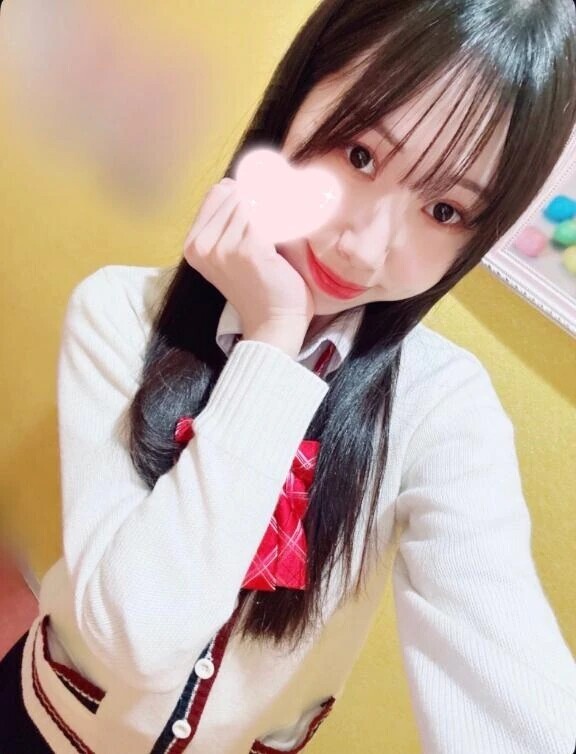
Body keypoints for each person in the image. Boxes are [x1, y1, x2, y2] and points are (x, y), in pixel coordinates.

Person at [2, 1, 576, 752]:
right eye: (360, 155)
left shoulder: (441, 410)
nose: (363, 248)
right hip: (41, 720)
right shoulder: (116, 314)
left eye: (443, 209)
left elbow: (501, 658)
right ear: (295, 100)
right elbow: (135, 640)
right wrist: (272, 343)